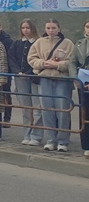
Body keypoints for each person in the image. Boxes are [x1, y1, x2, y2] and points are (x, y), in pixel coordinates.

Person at [27, 19, 76, 152]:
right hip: (45, 78)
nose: (51, 30)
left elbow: (72, 61)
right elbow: (31, 58)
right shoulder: (39, 42)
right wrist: (42, 63)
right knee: (47, 110)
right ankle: (50, 140)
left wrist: (58, 65)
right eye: (48, 28)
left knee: (62, 110)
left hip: (62, 80)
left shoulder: (68, 43)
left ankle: (63, 141)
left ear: (59, 28)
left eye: (53, 28)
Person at [8, 19, 42, 146]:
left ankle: (36, 135)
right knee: (26, 108)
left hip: (34, 78)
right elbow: (11, 58)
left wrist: (29, 72)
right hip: (20, 78)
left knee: (37, 107)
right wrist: (18, 72)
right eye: (23, 28)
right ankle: (27, 133)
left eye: (28, 28)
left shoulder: (38, 43)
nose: (25, 30)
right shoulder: (17, 43)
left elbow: (38, 58)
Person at [73, 20, 89, 157]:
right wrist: (75, 79)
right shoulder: (79, 43)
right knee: (84, 112)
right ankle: (86, 145)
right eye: (88, 26)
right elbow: (72, 62)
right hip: (83, 82)